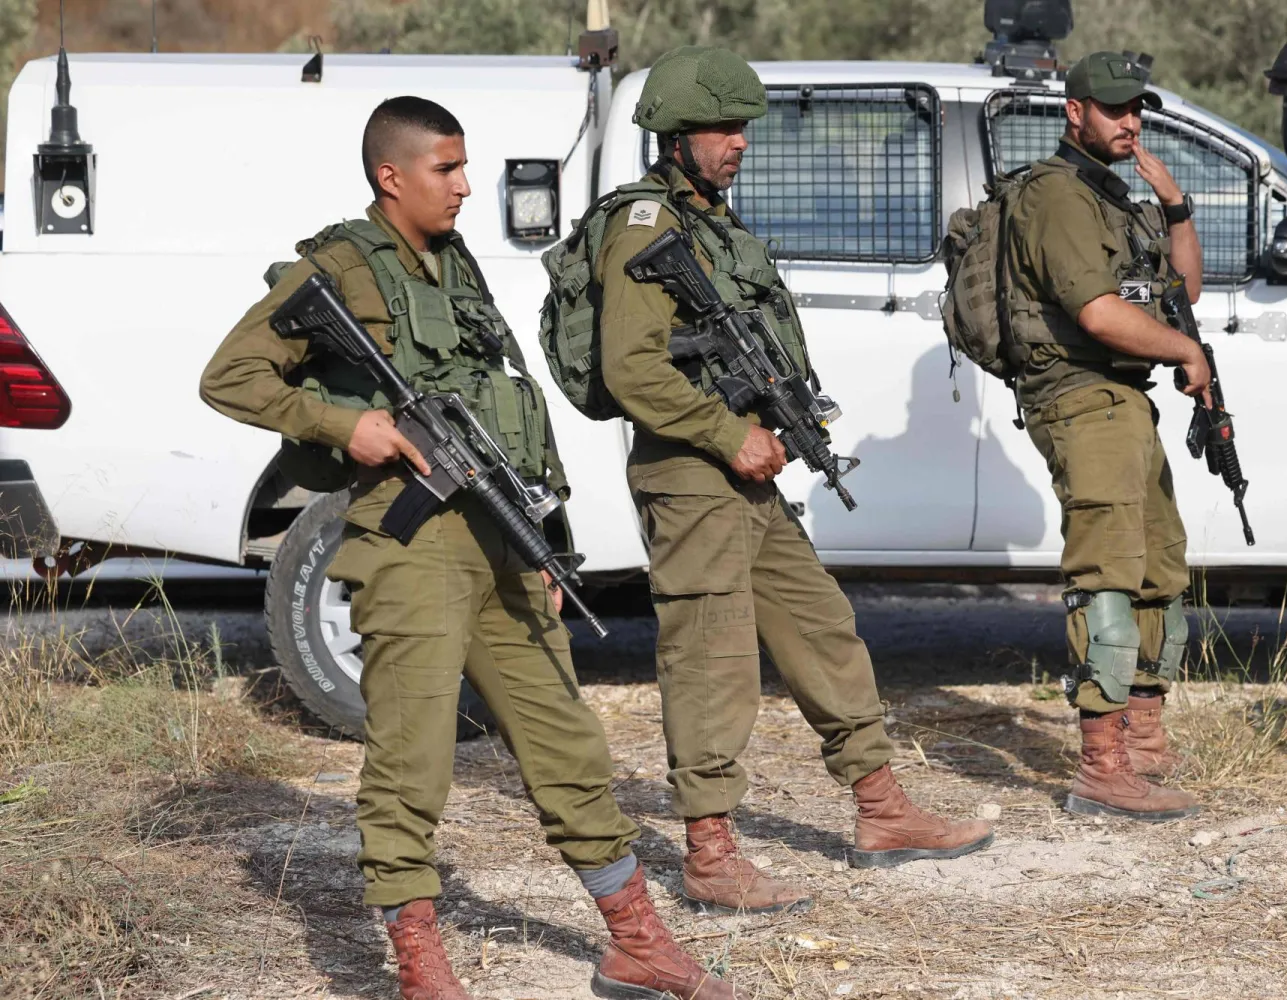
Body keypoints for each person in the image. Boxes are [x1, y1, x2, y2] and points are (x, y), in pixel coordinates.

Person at [199, 96, 736, 1000]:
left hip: (497, 541)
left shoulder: (454, 266)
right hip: (409, 549)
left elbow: (499, 401)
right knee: (413, 761)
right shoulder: (341, 268)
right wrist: (346, 424)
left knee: (569, 744)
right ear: (391, 175)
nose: (463, 185)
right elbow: (229, 376)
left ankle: (636, 939)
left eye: (463, 165)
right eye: (445, 170)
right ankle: (420, 966)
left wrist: (534, 543)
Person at [592, 46, 993, 916]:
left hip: (745, 470)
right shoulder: (643, 227)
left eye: (744, 127)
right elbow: (631, 370)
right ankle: (710, 854)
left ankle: (881, 810)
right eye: (723, 127)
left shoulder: (712, 224)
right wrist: (725, 430)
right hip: (693, 474)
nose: (739, 142)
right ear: (672, 132)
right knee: (713, 659)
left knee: (821, 627)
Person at [1003, 51, 1206, 822]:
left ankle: (1143, 739)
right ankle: (1101, 764)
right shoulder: (1057, 196)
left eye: (1137, 110)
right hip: (1081, 398)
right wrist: (1187, 351)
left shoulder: (1113, 196)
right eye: (1114, 109)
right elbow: (1096, 313)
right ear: (1074, 111)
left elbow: (1179, 295)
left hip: (1126, 398)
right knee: (1107, 573)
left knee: (1158, 565)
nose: (1131, 123)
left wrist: (1177, 209)